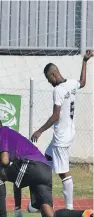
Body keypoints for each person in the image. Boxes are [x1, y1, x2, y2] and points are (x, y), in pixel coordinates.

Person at [0, 115, 93, 217]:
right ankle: (85, 214)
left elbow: (4, 161)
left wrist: (1, 164)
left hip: (32, 165)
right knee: (49, 214)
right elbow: (17, 180)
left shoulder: (3, 131)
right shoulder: (14, 141)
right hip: (45, 169)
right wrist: (17, 208)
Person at [31, 50, 93, 210]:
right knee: (44, 162)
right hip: (69, 134)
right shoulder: (72, 83)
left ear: (52, 75)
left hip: (61, 138)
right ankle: (36, 202)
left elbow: (55, 116)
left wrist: (39, 130)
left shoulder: (57, 90)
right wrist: (85, 61)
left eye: (48, 79)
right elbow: (83, 82)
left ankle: (69, 208)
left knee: (64, 173)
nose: (49, 82)